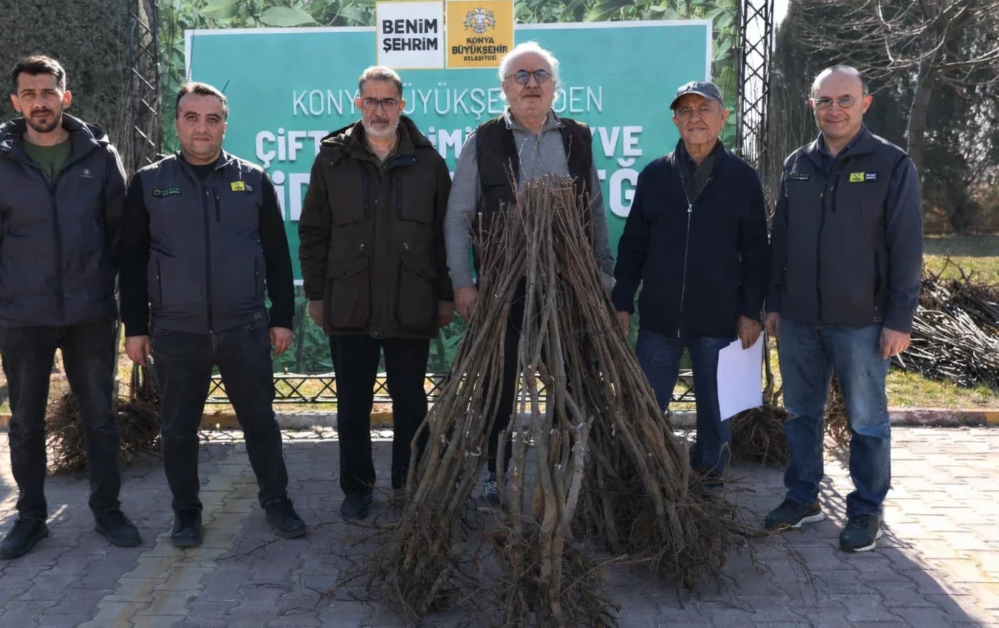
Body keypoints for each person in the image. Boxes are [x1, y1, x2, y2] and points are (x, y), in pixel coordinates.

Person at [120, 81, 305, 547]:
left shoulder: (254, 179)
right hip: (176, 332)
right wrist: (136, 328)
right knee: (178, 430)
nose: (202, 128)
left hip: (243, 327)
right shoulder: (148, 182)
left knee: (261, 423)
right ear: (177, 122)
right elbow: (132, 259)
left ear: (225, 124)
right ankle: (186, 513)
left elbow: (279, 257)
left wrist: (281, 317)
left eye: (212, 118)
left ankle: (277, 502)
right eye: (192, 118)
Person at [0, 55, 140, 560]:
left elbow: (120, 232)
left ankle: (108, 511)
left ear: (65, 97)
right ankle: (30, 518)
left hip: (90, 311)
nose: (39, 102)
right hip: (24, 315)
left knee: (100, 416)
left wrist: (102, 286)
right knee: (25, 420)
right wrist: (16, 287)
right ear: (15, 102)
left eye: (48, 92)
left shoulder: (99, 156)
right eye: (29, 93)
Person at [444, 41, 615, 509]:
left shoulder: (578, 137)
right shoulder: (484, 140)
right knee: (498, 381)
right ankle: (494, 473)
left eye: (540, 75)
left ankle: (571, 466)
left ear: (555, 86)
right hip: (505, 284)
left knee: (574, 377)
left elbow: (595, 211)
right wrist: (463, 281)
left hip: (570, 283)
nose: (532, 84)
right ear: (505, 88)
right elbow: (459, 217)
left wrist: (603, 273)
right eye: (521, 76)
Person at [763, 66, 922, 553]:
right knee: (801, 414)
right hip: (799, 319)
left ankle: (867, 508)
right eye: (825, 100)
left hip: (863, 320)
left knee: (866, 421)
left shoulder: (891, 164)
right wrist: (773, 304)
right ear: (812, 105)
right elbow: (780, 240)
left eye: (845, 100)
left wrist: (898, 319)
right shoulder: (797, 163)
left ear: (865, 103)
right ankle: (803, 497)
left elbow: (906, 246)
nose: (835, 109)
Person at [299, 66, 453, 521]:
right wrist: (316, 295)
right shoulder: (331, 159)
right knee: (352, 405)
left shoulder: (428, 161)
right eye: (371, 101)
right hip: (349, 302)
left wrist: (444, 296)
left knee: (411, 404)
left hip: (411, 301)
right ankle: (357, 489)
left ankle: (411, 486)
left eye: (388, 101)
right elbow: (313, 232)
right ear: (357, 104)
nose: (379, 110)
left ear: (402, 107)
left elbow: (446, 236)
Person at [612, 80, 769, 483]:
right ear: (675, 120)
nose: (695, 117)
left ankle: (709, 481)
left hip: (718, 322)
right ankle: (646, 480)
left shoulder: (742, 179)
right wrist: (623, 302)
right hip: (660, 322)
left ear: (723, 118)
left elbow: (756, 254)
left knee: (715, 415)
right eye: (686, 110)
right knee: (647, 408)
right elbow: (632, 246)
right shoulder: (654, 176)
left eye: (704, 109)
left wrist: (751, 311)